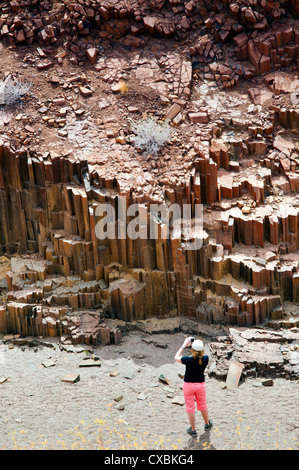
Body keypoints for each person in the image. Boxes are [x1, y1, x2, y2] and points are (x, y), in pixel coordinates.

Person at [174, 336, 212, 437]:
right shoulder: (205, 358)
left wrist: (184, 345)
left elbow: (176, 357)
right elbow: (199, 355)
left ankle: (193, 430)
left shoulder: (188, 360)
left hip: (188, 386)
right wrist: (194, 345)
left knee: (190, 408)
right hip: (200, 385)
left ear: (192, 349)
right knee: (203, 405)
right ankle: (207, 424)